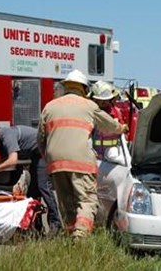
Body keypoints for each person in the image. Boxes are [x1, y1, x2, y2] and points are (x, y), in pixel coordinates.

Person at [37, 69, 126, 239]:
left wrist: (48, 159)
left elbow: (41, 138)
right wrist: (121, 128)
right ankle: (80, 237)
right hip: (81, 163)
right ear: (84, 88)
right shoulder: (89, 106)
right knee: (87, 200)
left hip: (55, 164)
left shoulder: (50, 106)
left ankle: (70, 237)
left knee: (66, 203)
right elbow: (109, 126)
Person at [0, 121, 61, 234]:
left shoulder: (6, 135)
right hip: (33, 155)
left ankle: (56, 224)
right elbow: (6, 163)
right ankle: (36, 226)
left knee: (43, 186)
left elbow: (12, 160)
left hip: (43, 152)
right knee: (32, 191)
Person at [90, 81, 126, 162]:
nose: (104, 103)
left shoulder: (116, 112)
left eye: (106, 100)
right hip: (95, 157)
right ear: (95, 99)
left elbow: (123, 133)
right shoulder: (91, 112)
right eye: (101, 100)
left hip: (113, 157)